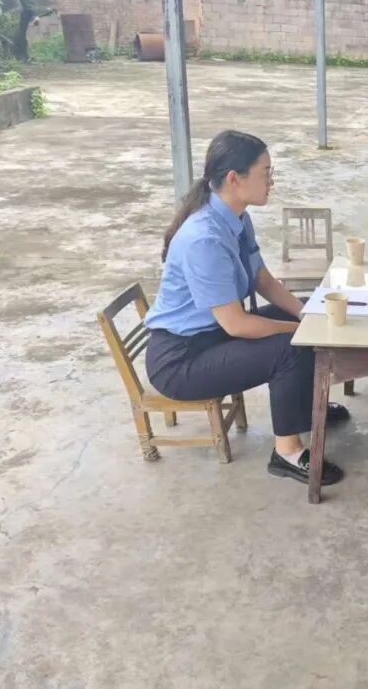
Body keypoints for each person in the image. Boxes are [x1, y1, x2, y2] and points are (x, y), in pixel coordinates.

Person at [145, 129, 348, 486]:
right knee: (290, 347)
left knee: (301, 312)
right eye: (265, 173)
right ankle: (287, 453)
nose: (272, 181)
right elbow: (237, 325)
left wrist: (305, 314)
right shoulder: (204, 239)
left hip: (212, 334)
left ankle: (307, 407)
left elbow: (262, 280)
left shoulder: (237, 217)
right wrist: (300, 330)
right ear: (234, 179)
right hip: (181, 360)